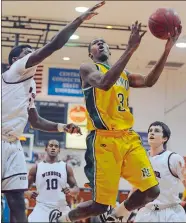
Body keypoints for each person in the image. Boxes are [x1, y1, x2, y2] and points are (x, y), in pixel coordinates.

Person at [53, 20, 182, 222]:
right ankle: (65, 219)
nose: (102, 44)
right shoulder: (87, 68)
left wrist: (167, 49)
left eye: (104, 42)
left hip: (128, 138)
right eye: (97, 42)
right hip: (103, 141)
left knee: (152, 190)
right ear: (90, 52)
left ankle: (118, 216)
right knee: (99, 206)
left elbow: (149, 81)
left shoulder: (124, 74)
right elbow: (104, 84)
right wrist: (130, 49)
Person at [1, 1, 105, 222]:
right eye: (28, 52)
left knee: (17, 200)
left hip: (13, 144)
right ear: (15, 60)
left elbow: (35, 120)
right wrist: (78, 21)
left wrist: (61, 126)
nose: (33, 55)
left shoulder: (29, 84)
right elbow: (53, 46)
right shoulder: (15, 71)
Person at [133, 121, 186, 222]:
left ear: (164, 139)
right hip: (147, 211)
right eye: (150, 131)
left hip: (171, 212)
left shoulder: (173, 158)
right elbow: (135, 188)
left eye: (156, 131)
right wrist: (125, 211)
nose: (151, 133)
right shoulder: (142, 160)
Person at [26, 139, 79, 222]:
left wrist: (71, 191)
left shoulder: (66, 167)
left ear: (59, 150)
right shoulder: (36, 168)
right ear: (46, 148)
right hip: (42, 207)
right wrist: (28, 193)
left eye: (56, 146)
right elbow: (23, 189)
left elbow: (76, 189)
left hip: (61, 207)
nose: (53, 148)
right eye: (51, 146)